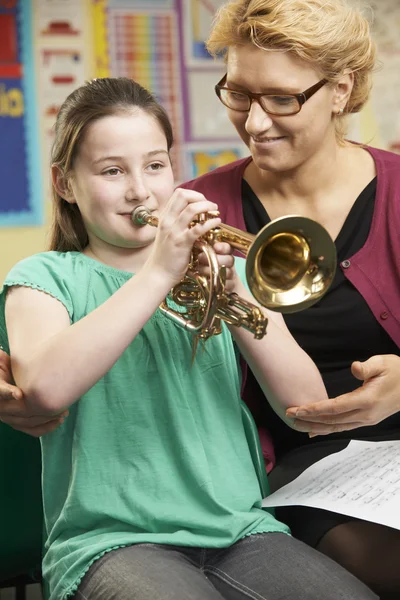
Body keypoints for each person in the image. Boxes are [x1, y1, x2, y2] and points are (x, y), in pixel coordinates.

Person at [0, 77, 377, 600]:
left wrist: (235, 293)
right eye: (112, 171)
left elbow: (305, 406)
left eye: (155, 165)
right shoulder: (44, 278)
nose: (140, 189)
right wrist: (158, 273)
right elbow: (44, 390)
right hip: (112, 542)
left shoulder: (220, 272)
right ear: (65, 183)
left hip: (243, 528)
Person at [176, 0, 400, 598]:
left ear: (339, 89)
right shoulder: (193, 207)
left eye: (280, 98)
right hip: (300, 474)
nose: (253, 123)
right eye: (239, 94)